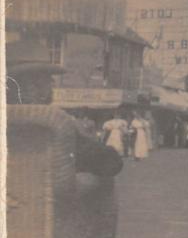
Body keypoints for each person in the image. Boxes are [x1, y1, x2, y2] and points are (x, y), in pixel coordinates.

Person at [6, 38, 123, 177]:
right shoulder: (54, 123)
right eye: (47, 79)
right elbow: (111, 162)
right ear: (33, 86)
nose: (52, 83)